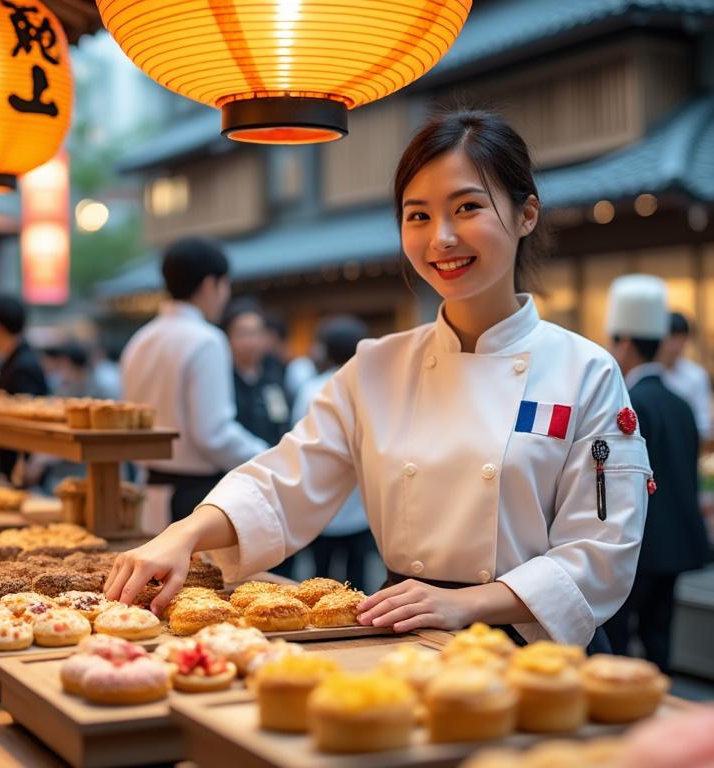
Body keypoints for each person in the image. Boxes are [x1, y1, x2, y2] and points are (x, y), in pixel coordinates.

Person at [106, 109, 652, 650]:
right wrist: (186, 533)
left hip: (531, 644)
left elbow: (601, 548)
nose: (440, 238)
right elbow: (285, 479)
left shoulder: (585, 371)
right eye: (417, 216)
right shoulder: (376, 366)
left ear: (526, 212)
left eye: (467, 207)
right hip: (403, 633)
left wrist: (468, 603)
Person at [121, 237, 269, 524]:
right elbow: (213, 435)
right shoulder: (207, 340)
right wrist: (266, 458)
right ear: (210, 284)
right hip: (193, 496)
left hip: (148, 490)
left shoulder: (141, 339)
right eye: (225, 285)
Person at [602, 275, 707, 672]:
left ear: (625, 343)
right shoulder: (681, 403)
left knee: (619, 637)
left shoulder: (628, 402)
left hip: (638, 543)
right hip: (679, 538)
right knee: (659, 635)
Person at [292, 315, 377, 591]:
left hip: (321, 500)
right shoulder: (373, 386)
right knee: (359, 582)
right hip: (362, 500)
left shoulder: (311, 388)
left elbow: (298, 442)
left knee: (318, 579)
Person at [0, 295, 49, 480]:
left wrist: (30, 463)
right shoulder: (15, 360)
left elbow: (29, 418)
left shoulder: (22, 365)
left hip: (20, 469)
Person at [224, 301, 292, 447]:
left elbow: (282, 420)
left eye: (256, 333)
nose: (251, 341)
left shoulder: (275, 373)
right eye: (242, 334)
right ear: (228, 338)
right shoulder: (223, 377)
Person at [659, 312, 713, 438]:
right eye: (672, 338)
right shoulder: (648, 373)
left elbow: (704, 423)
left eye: (681, 339)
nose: (676, 346)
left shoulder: (696, 376)